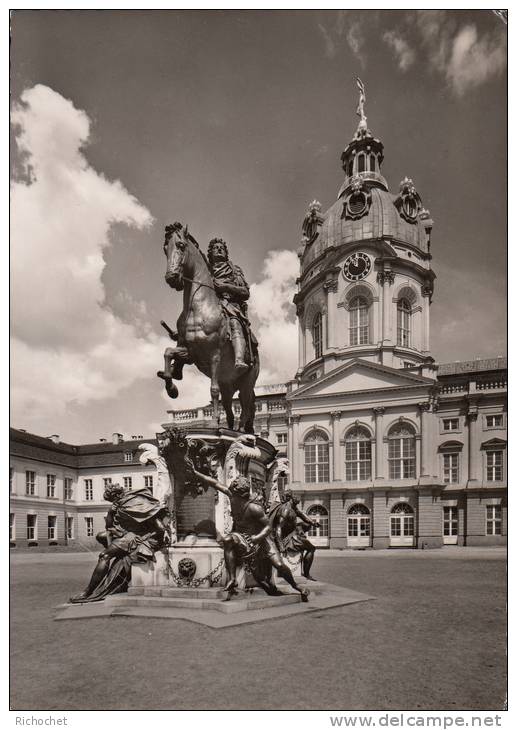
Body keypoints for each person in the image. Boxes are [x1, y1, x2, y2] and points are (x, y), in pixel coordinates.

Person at [192, 469, 309, 602]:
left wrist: (256, 538)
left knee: (279, 565)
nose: (231, 493)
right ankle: (232, 579)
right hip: (242, 535)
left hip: (262, 539)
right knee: (227, 539)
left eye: (235, 492)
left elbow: (268, 527)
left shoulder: (254, 508)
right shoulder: (232, 495)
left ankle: (296, 586)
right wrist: (196, 473)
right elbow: (215, 483)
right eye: (232, 491)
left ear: (242, 494)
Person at [69, 483, 170, 603]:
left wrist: (149, 538)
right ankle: (94, 586)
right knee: (101, 536)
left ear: (117, 495)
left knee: (104, 556)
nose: (112, 503)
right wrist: (111, 512)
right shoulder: (120, 504)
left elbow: (159, 525)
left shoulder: (136, 501)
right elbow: (109, 527)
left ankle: (88, 592)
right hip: (128, 534)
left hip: (137, 536)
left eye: (112, 500)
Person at [207, 237, 253, 375]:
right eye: (216, 248)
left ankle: (239, 359)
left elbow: (245, 292)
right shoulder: (206, 271)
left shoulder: (235, 270)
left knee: (234, 323)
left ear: (226, 253)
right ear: (210, 253)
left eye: (222, 248)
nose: (219, 249)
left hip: (231, 306)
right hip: (210, 306)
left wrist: (226, 287)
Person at [269, 489, 320, 581]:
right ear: (291, 498)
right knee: (311, 548)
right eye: (296, 497)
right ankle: (306, 574)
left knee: (305, 525)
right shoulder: (286, 510)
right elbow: (278, 528)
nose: (298, 499)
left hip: (291, 535)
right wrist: (281, 546)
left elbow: (302, 515)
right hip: (287, 539)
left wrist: (313, 523)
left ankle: (306, 574)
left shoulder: (293, 507)